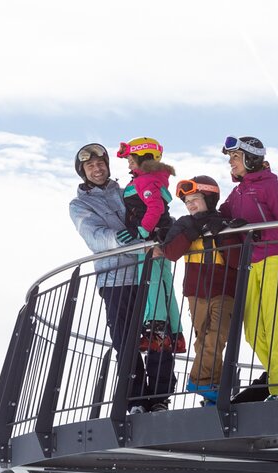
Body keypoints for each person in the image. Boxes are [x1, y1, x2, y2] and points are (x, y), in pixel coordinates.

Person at [68, 143, 166, 415]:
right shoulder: (80, 204)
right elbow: (95, 237)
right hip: (116, 279)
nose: (97, 169)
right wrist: (127, 242)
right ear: (83, 172)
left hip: (148, 272)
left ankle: (159, 398)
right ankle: (136, 400)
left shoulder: (127, 191)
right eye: (90, 166)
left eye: (101, 163)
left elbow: (154, 212)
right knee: (126, 340)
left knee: (159, 334)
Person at [218, 135, 278, 401]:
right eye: (230, 158)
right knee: (253, 332)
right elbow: (223, 214)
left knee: (276, 326)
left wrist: (257, 233)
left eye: (235, 157)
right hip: (252, 264)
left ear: (250, 158)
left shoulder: (271, 186)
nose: (231, 162)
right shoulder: (239, 191)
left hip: (277, 259)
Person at [114, 137, 182, 412]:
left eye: (131, 158)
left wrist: (141, 232)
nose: (128, 163)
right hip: (150, 246)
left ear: (144, 158)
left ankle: (157, 327)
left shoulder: (146, 181)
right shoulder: (147, 179)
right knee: (156, 290)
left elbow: (155, 208)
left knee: (154, 293)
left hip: (150, 246)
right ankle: (151, 394)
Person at [160, 176, 237, 405]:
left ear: (210, 198)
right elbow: (171, 253)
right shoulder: (184, 224)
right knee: (203, 339)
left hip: (224, 289)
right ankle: (212, 390)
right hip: (196, 291)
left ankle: (199, 381)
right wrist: (191, 231)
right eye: (186, 202)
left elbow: (236, 260)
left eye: (194, 199)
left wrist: (222, 234)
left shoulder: (225, 223)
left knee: (218, 336)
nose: (190, 205)